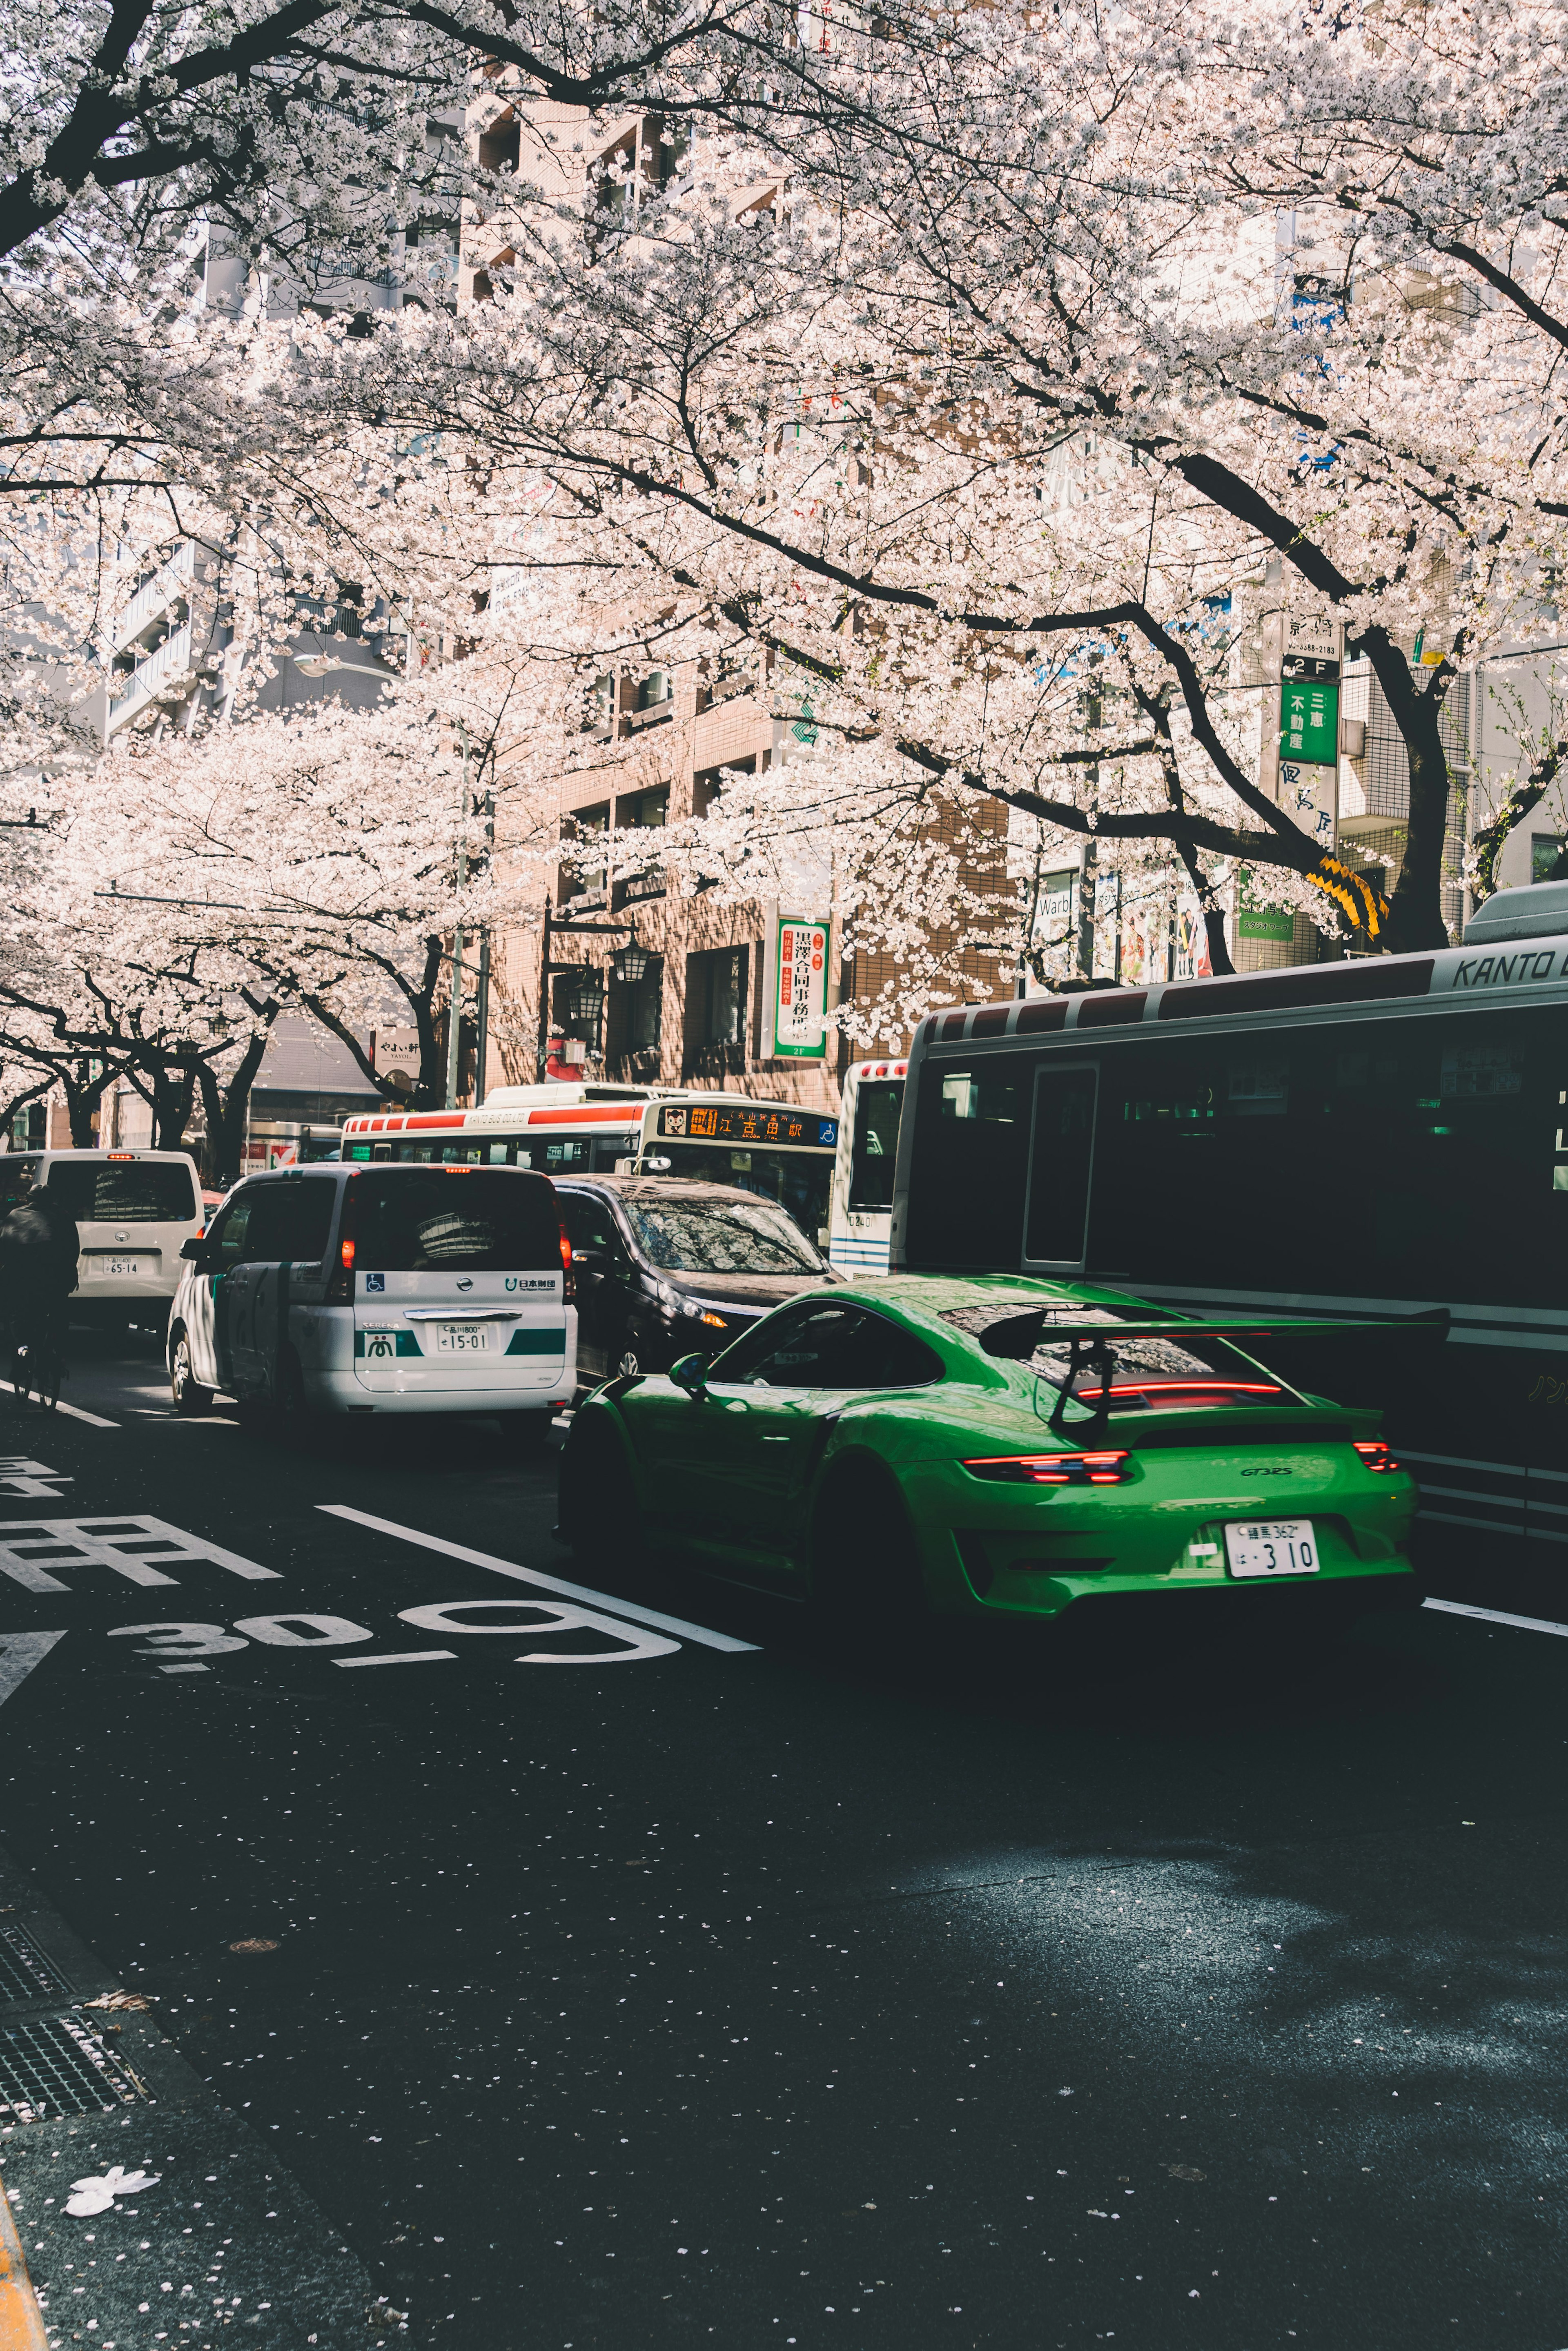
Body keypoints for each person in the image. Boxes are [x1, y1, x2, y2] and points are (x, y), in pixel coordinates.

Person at [0, 1168, 78, 1394]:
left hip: (19, 1278)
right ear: (52, 1200)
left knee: (16, 1315)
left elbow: (3, 1248)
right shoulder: (62, 1216)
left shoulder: (15, 1215)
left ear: (28, 1199)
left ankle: (22, 1348)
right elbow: (73, 1249)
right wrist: (71, 1276)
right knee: (58, 1315)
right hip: (54, 1277)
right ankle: (56, 1356)